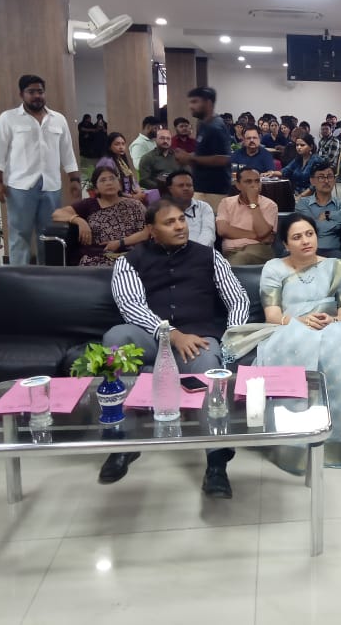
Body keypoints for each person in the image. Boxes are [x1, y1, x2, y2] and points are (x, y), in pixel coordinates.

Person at [101, 199, 250, 496]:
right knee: (116, 339)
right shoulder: (128, 262)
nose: (180, 226)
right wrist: (170, 333)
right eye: (169, 222)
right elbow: (131, 306)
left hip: (197, 340)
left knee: (209, 366)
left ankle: (216, 462)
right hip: (151, 338)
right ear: (151, 230)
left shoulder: (210, 257)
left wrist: (232, 338)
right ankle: (121, 442)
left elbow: (238, 299)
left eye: (182, 219)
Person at [246, 213, 341, 471]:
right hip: (290, 327)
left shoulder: (336, 267)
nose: (305, 241)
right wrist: (301, 321)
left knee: (339, 343)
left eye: (309, 234)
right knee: (305, 344)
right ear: (285, 244)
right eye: (297, 237)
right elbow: (273, 316)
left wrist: (332, 320)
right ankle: (297, 443)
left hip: (333, 325)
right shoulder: (274, 269)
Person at [0, 74, 82, 265]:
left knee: (48, 234)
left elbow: (67, 152)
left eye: (40, 91)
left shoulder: (58, 119)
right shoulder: (9, 118)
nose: (36, 96)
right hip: (20, 187)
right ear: (21, 94)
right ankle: (19, 275)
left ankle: (47, 275)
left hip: (51, 186)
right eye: (31, 92)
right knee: (19, 235)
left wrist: (74, 179)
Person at [51, 166, 148, 266]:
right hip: (97, 258)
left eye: (112, 178)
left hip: (131, 256)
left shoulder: (134, 205)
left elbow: (148, 231)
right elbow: (57, 214)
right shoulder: (88, 204)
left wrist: (121, 242)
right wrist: (79, 221)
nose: (109, 183)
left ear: (119, 184)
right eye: (103, 180)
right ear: (96, 189)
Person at [174, 86, 232, 211]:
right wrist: (188, 156)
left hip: (214, 191)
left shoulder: (216, 127)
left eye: (195, 102)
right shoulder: (203, 124)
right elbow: (205, 154)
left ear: (208, 103)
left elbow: (223, 159)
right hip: (202, 188)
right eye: (190, 102)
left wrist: (190, 158)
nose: (191, 106)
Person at [296, 161, 341, 258]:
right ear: (312, 181)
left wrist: (329, 215)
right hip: (307, 251)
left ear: (334, 180)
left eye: (330, 176)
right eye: (321, 177)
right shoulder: (303, 203)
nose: (326, 181)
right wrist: (339, 221)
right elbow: (311, 228)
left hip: (332, 253)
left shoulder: (340, 203)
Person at [216, 166, 278, 265]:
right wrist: (255, 235)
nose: (254, 185)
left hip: (259, 249)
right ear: (238, 185)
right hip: (230, 251)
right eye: (248, 182)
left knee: (239, 259)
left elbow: (262, 232)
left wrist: (253, 203)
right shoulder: (226, 202)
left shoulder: (270, 205)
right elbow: (222, 230)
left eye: (257, 181)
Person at [165, 169, 215, 247]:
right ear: (170, 189)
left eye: (189, 185)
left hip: (202, 250)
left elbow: (208, 234)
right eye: (181, 185)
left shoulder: (204, 207)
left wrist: (195, 251)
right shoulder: (163, 210)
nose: (186, 188)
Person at [97, 132, 147, 202]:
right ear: (109, 147)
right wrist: (132, 197)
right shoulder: (107, 162)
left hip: (129, 195)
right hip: (114, 198)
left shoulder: (121, 160)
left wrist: (139, 192)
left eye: (123, 144)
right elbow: (111, 187)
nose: (121, 147)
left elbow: (132, 179)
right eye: (117, 144)